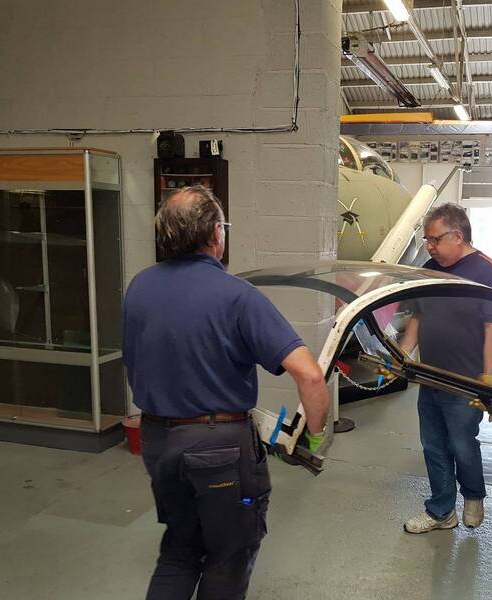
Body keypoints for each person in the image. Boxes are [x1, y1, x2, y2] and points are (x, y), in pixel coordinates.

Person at [123, 185, 329, 600]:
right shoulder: (238, 296)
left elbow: (134, 359)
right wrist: (315, 436)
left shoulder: (140, 287)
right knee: (228, 556)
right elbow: (309, 376)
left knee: (179, 551)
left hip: (158, 441)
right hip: (219, 448)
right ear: (216, 233)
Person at [399, 203, 492, 534]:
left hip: (466, 382)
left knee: (462, 444)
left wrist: (490, 378)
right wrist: (402, 353)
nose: (429, 246)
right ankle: (441, 511)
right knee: (432, 445)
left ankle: (473, 495)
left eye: (434, 239)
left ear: (457, 236)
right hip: (430, 376)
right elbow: (418, 316)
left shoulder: (487, 271)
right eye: (427, 239)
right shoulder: (430, 269)